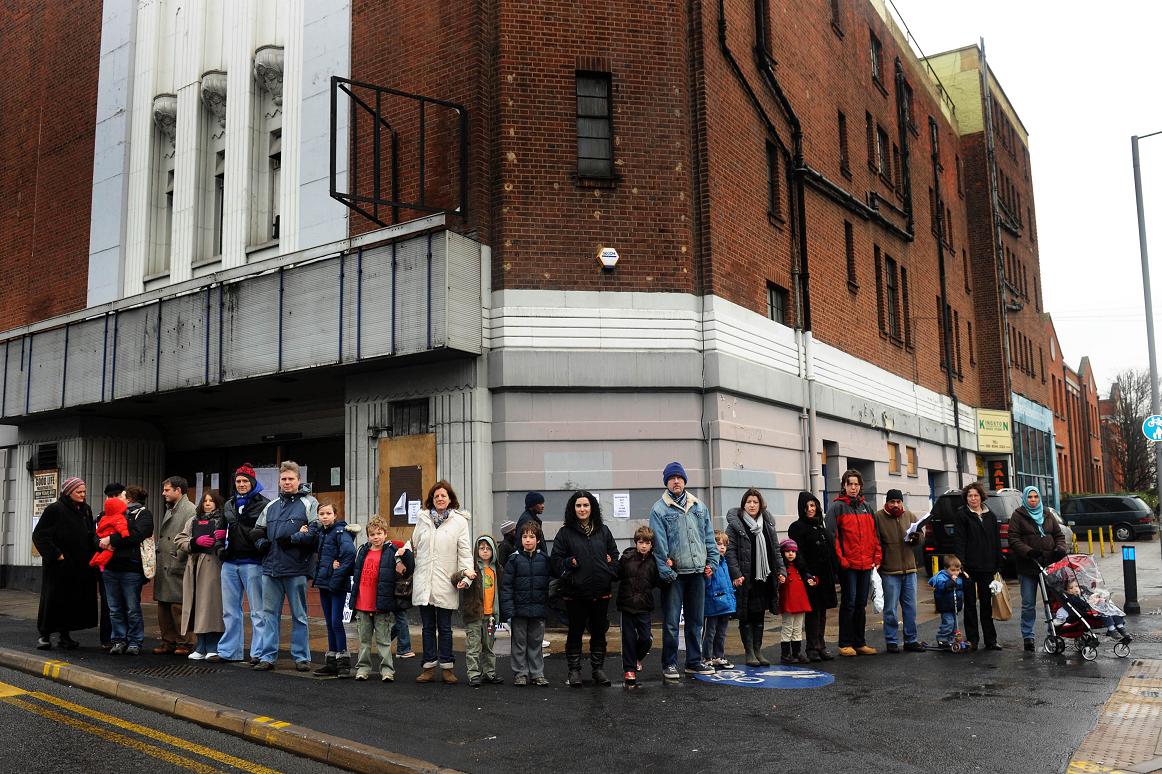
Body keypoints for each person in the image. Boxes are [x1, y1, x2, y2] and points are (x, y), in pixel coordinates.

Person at [650, 461, 719, 679]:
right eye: (672, 478)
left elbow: (709, 537)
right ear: (666, 482)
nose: (676, 481)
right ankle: (669, 663)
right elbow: (659, 547)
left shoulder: (699, 506)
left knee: (696, 621)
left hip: (698, 572)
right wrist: (666, 572)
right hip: (675, 576)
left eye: (679, 478)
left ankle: (693, 661)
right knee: (671, 623)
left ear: (685, 480)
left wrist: (712, 562)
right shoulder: (659, 509)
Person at [252, 461, 319, 672]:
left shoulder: (310, 503)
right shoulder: (271, 506)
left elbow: (315, 532)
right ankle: (268, 657)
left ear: (299, 480)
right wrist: (261, 543)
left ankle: (301, 657)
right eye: (283, 479)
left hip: (296, 569)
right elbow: (257, 531)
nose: (287, 482)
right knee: (269, 615)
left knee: (299, 615)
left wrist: (294, 539)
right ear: (279, 481)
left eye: (291, 479)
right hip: (271, 568)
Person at [551, 490, 618, 687]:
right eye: (578, 506)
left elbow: (615, 556)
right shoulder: (565, 533)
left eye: (586, 505)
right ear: (573, 509)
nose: (582, 509)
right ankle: (574, 671)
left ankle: (598, 669)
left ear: (592, 508)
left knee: (599, 632)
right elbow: (555, 561)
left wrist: (609, 571)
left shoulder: (603, 531)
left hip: (601, 592)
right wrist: (569, 564)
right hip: (575, 594)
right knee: (575, 632)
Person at [411, 480, 472, 684]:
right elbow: (415, 545)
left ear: (450, 499)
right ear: (431, 499)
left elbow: (464, 551)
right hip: (424, 580)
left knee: (445, 627)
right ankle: (428, 667)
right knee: (427, 627)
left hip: (446, 581)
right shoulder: (422, 519)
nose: (439, 498)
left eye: (443, 495)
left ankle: (447, 667)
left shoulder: (459, 522)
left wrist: (465, 575)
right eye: (436, 496)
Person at [32, 477, 97, 650]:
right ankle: (44, 635)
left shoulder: (86, 510)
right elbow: (40, 535)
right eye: (79, 492)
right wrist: (56, 555)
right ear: (68, 492)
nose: (83, 495)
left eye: (84, 491)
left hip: (79, 565)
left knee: (71, 601)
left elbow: (90, 534)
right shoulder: (55, 509)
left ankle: (65, 635)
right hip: (58, 566)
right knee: (53, 599)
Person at [725, 487, 786, 667]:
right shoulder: (735, 525)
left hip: (763, 577)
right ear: (743, 505)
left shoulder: (767, 525)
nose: (752, 505)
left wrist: (781, 570)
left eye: (755, 502)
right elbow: (730, 552)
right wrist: (736, 573)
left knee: (759, 616)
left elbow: (775, 550)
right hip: (745, 578)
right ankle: (749, 652)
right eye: (749, 502)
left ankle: (758, 650)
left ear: (760, 505)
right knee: (746, 616)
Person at [215, 463, 270, 664]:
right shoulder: (228, 504)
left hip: (253, 562)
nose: (241, 484)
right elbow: (220, 529)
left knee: (258, 611)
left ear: (253, 482)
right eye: (238, 481)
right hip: (229, 562)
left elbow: (266, 532)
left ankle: (259, 652)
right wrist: (219, 548)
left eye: (245, 481)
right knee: (229, 611)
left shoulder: (264, 504)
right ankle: (229, 652)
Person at [351, 517, 414, 681]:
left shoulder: (392, 551)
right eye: (372, 534)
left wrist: (405, 555)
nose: (376, 537)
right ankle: (363, 668)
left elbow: (407, 570)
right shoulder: (362, 551)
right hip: (362, 603)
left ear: (385, 534)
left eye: (379, 533)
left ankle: (387, 670)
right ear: (368, 536)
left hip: (382, 605)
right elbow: (355, 573)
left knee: (384, 641)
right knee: (364, 641)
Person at [1007, 485, 1067, 652]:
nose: (1033, 500)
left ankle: (1054, 632)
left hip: (1049, 566)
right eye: (1030, 497)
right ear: (1025, 499)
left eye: (1036, 497)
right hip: (1028, 566)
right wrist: (1029, 552)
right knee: (1028, 604)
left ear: (1039, 498)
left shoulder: (1047, 513)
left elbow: (1058, 535)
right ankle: (1028, 637)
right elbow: (1013, 539)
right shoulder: (1018, 515)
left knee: (1053, 602)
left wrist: (1060, 549)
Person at [828, 469, 881, 657]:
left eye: (856, 484)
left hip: (866, 564)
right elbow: (832, 537)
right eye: (849, 484)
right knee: (848, 603)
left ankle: (860, 642)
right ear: (844, 486)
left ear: (860, 486)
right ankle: (845, 643)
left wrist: (877, 557)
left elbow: (875, 535)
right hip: (848, 565)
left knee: (860, 604)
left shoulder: (867, 507)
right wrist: (841, 560)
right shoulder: (837, 507)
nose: (853, 487)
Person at [953, 481, 1004, 651]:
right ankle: (972, 640)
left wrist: (997, 563)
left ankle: (991, 640)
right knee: (969, 605)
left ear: (981, 496)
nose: (973, 498)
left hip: (988, 566)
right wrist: (961, 566)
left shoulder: (991, 515)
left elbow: (996, 541)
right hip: (968, 568)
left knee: (986, 605)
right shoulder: (961, 515)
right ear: (965, 498)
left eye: (975, 495)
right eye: (969, 495)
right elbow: (959, 541)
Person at [103, 485, 155, 655]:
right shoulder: (111, 513)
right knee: (115, 608)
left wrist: (110, 538)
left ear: (130, 499)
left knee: (132, 608)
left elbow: (135, 535)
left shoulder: (144, 515)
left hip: (131, 569)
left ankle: (134, 641)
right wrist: (100, 540)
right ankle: (118, 640)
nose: (119, 498)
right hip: (111, 568)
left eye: (122, 496)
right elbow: (98, 533)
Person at [176, 489, 226, 661]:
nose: (207, 503)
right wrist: (193, 542)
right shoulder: (193, 520)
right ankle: (201, 645)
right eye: (205, 501)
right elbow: (180, 539)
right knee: (196, 607)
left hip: (213, 568)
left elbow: (230, 540)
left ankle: (213, 645)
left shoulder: (223, 520)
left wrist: (223, 539)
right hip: (194, 568)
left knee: (211, 608)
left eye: (211, 500)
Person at [787, 491, 838, 661]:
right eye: (807, 506)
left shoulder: (821, 527)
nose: (810, 509)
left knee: (822, 612)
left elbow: (830, 551)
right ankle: (812, 648)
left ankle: (821, 645)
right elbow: (798, 552)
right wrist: (806, 572)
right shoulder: (797, 527)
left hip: (825, 575)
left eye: (813, 505)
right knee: (813, 613)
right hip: (810, 575)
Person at [873, 488, 924, 654]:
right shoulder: (878, 517)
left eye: (898, 501)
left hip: (910, 570)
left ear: (902, 502)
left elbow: (921, 538)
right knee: (890, 609)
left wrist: (916, 538)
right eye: (892, 502)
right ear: (887, 503)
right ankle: (891, 641)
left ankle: (911, 640)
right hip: (889, 571)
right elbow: (876, 541)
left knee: (911, 608)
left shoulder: (909, 516)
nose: (896, 504)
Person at [308, 503, 357, 677]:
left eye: (328, 513)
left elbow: (350, 554)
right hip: (324, 584)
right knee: (329, 623)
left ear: (335, 515)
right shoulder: (322, 533)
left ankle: (343, 662)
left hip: (336, 585)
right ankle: (332, 662)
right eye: (321, 513)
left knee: (336, 622)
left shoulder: (340, 532)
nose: (325, 516)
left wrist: (336, 575)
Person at [501, 522, 551, 686]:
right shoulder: (514, 560)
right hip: (519, 611)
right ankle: (520, 673)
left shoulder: (544, 560)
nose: (528, 540)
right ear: (520, 539)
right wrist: (508, 610)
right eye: (524, 536)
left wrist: (547, 604)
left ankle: (537, 673)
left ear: (537, 540)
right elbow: (506, 586)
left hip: (538, 610)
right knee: (519, 643)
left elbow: (550, 583)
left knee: (536, 643)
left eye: (531, 537)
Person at [454, 535, 506, 687]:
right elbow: (454, 578)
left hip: (490, 616)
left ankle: (489, 673)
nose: (485, 551)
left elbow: (501, 591)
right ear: (477, 550)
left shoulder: (497, 569)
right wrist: (464, 574)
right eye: (481, 548)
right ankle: (474, 674)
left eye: (488, 548)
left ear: (494, 551)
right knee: (474, 646)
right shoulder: (472, 569)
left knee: (489, 646)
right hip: (474, 615)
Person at [154, 476, 195, 655]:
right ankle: (168, 641)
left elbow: (190, 537)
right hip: (166, 563)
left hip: (177, 563)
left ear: (178, 490)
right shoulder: (172, 508)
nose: (163, 493)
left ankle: (185, 642)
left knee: (179, 607)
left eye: (167, 490)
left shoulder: (190, 509)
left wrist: (179, 556)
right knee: (164, 606)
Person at [617, 525, 660, 687]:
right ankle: (629, 670)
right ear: (636, 542)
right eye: (641, 542)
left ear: (651, 545)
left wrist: (671, 566)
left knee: (646, 638)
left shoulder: (654, 561)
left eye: (647, 543)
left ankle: (636, 658)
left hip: (644, 605)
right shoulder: (627, 558)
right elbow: (616, 575)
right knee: (627, 638)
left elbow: (659, 582)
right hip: (626, 605)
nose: (643, 546)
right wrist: (610, 563)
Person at [1055, 577, 1131, 641]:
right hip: (1087, 612)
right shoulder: (1072, 598)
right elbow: (1082, 605)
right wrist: (1089, 601)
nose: (1075, 589)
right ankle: (1111, 629)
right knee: (1104, 612)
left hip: (1095, 607)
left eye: (1076, 586)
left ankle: (1121, 627)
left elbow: (1091, 595)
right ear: (1067, 591)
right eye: (1071, 588)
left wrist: (1097, 598)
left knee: (1112, 609)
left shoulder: (1084, 592)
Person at [702, 530, 736, 670]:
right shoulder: (710, 563)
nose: (722, 547)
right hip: (713, 602)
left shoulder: (724, 563)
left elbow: (726, 583)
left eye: (724, 545)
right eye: (718, 544)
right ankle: (707, 657)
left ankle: (718, 656)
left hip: (725, 603)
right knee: (710, 632)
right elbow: (707, 584)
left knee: (721, 632)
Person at [778, 538, 816, 664]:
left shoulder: (800, 567)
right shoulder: (781, 569)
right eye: (787, 551)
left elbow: (808, 577)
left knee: (798, 628)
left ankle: (796, 653)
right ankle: (786, 654)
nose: (790, 554)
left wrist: (812, 580)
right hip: (788, 602)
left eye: (793, 551)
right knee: (788, 628)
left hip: (800, 602)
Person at [929, 555, 965, 650]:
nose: (956, 573)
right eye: (953, 570)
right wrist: (950, 583)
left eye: (957, 570)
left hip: (954, 605)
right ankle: (942, 638)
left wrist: (965, 579)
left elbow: (961, 586)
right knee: (948, 623)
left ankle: (951, 639)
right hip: (945, 605)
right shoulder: (941, 577)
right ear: (946, 569)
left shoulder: (958, 577)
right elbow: (941, 586)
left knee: (954, 625)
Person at [91, 497, 130, 571]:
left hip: (102, 535)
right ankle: (100, 563)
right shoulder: (119, 517)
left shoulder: (104, 517)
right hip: (111, 535)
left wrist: (99, 535)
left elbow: (99, 527)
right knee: (109, 552)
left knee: (100, 551)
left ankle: (94, 561)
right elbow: (121, 526)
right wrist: (124, 533)